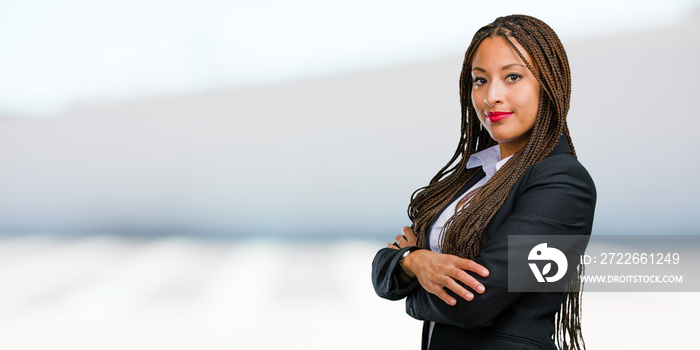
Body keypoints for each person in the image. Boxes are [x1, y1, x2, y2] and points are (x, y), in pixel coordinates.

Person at [371, 15, 596, 350]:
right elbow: (384, 267)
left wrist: (411, 285)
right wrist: (414, 261)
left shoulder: (563, 183)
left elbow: (473, 303)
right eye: (480, 80)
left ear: (549, 84)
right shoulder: (476, 175)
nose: (492, 96)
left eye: (513, 77)